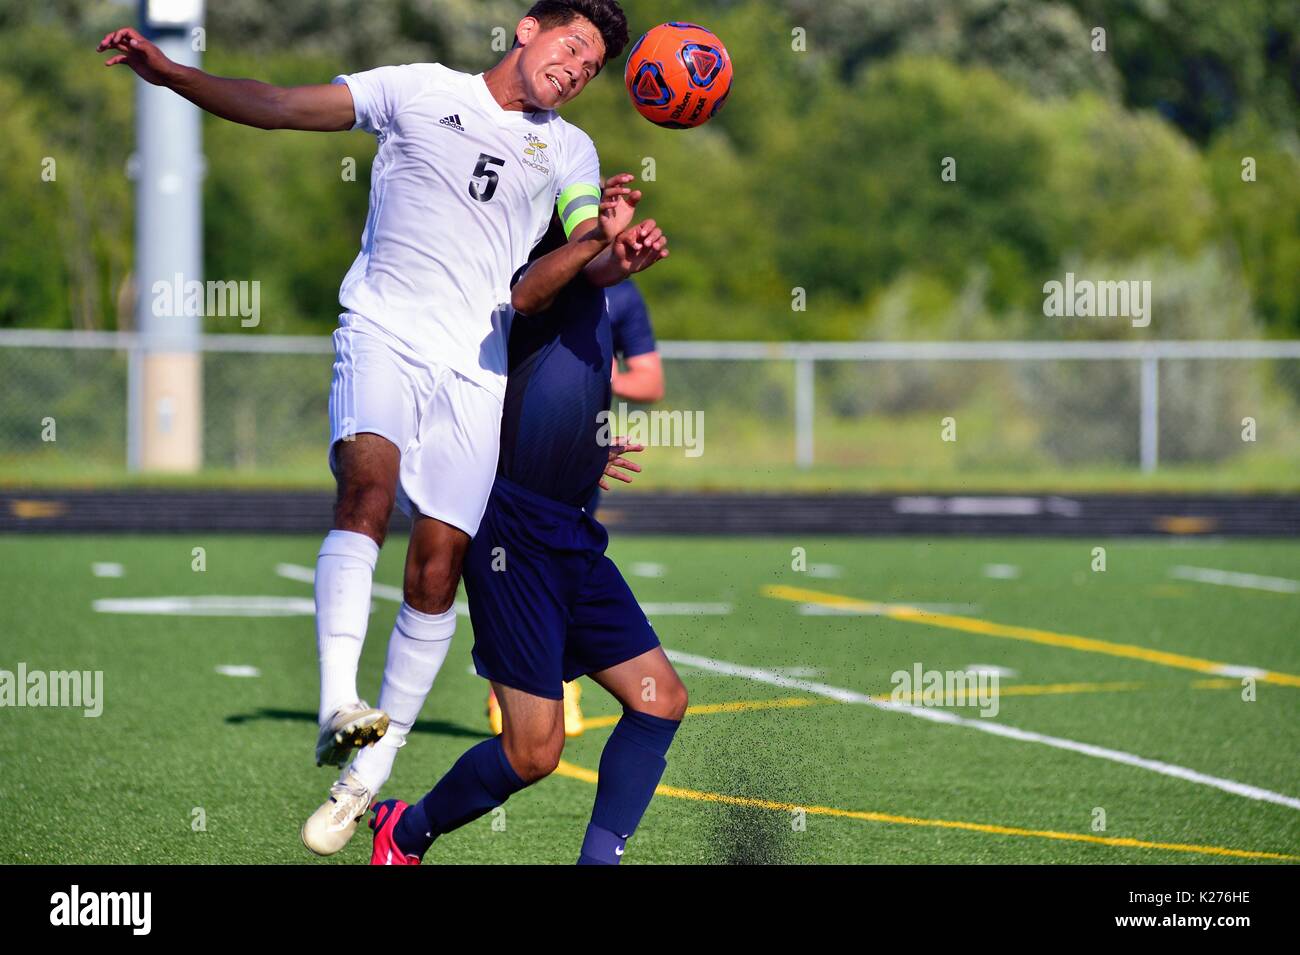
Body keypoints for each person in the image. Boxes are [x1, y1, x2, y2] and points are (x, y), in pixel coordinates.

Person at [96, 0, 633, 856]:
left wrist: (612, 246)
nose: (576, 69)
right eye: (572, 46)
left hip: (476, 367)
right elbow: (278, 103)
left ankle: (366, 781)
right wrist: (173, 76)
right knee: (367, 489)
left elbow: (580, 253)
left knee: (440, 563)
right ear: (528, 28)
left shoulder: (570, 149)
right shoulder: (416, 89)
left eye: (593, 67)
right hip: (382, 330)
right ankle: (337, 701)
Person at [369, 187, 685, 866]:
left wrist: (585, 447)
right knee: (534, 751)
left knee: (660, 698)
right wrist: (599, 240)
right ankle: (406, 830)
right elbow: (530, 296)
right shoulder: (517, 278)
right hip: (511, 528)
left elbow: (566, 384)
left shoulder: (598, 294)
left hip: (569, 528)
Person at [485, 276, 662, 737]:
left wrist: (591, 372)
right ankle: (507, 676)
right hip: (506, 452)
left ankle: (561, 682)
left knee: (563, 567)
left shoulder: (621, 293)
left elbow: (650, 380)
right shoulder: (522, 271)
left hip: (579, 456)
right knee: (500, 568)